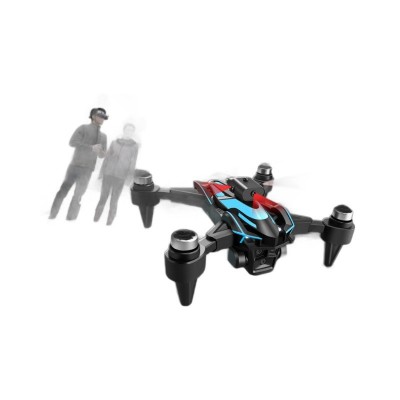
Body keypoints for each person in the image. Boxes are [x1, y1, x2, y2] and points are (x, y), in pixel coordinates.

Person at [49, 108, 108, 220]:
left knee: (78, 195)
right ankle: (52, 216)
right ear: (93, 116)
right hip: (74, 166)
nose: (102, 119)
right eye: (100, 116)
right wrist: (91, 147)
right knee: (63, 191)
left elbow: (101, 155)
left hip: (88, 169)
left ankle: (70, 220)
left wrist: (102, 152)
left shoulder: (103, 136)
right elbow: (72, 142)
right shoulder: (83, 128)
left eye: (104, 117)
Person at [94, 123, 139, 225]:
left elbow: (133, 162)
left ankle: (109, 223)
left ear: (133, 133)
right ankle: (95, 220)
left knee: (114, 201)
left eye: (131, 130)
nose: (129, 132)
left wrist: (128, 179)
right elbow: (107, 158)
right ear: (124, 130)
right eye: (127, 129)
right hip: (108, 174)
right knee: (102, 198)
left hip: (120, 177)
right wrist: (101, 173)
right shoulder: (114, 143)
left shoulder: (134, 146)